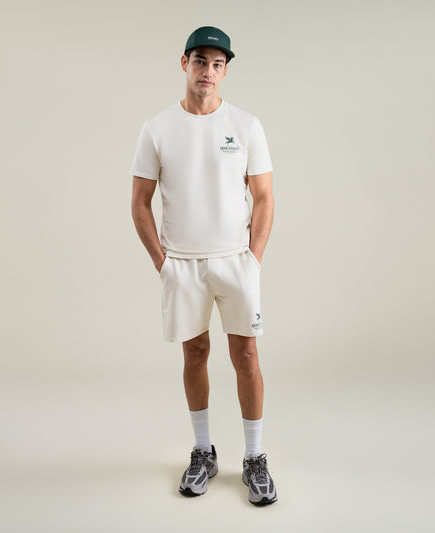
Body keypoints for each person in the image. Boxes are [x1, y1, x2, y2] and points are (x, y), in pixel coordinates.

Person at [130, 26, 277, 506]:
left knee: (246, 355)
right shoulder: (157, 128)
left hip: (236, 261)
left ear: (225, 71)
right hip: (183, 265)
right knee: (194, 353)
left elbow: (264, 196)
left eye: (217, 64)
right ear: (184, 64)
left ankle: (254, 457)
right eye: (200, 62)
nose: (208, 72)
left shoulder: (246, 125)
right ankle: (202, 451)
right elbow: (139, 202)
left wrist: (253, 259)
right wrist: (163, 263)